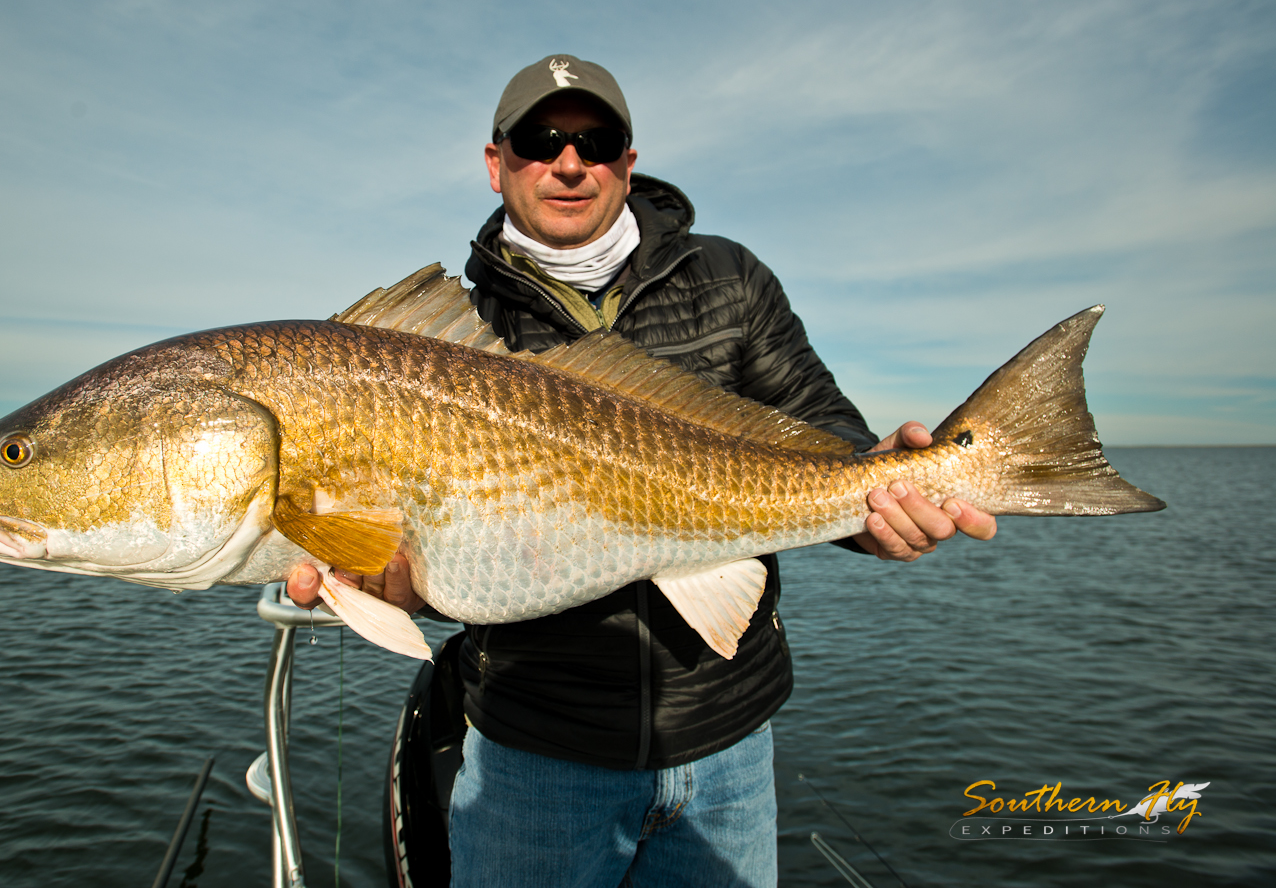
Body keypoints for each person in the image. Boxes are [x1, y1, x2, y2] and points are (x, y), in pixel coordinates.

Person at [289, 55, 996, 886]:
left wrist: (883, 499)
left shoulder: (728, 279)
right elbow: (460, 547)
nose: (567, 160)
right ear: (495, 162)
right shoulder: (451, 331)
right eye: (539, 138)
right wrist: (402, 583)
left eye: (596, 140)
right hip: (534, 755)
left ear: (628, 160)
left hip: (730, 742)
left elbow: (828, 439)